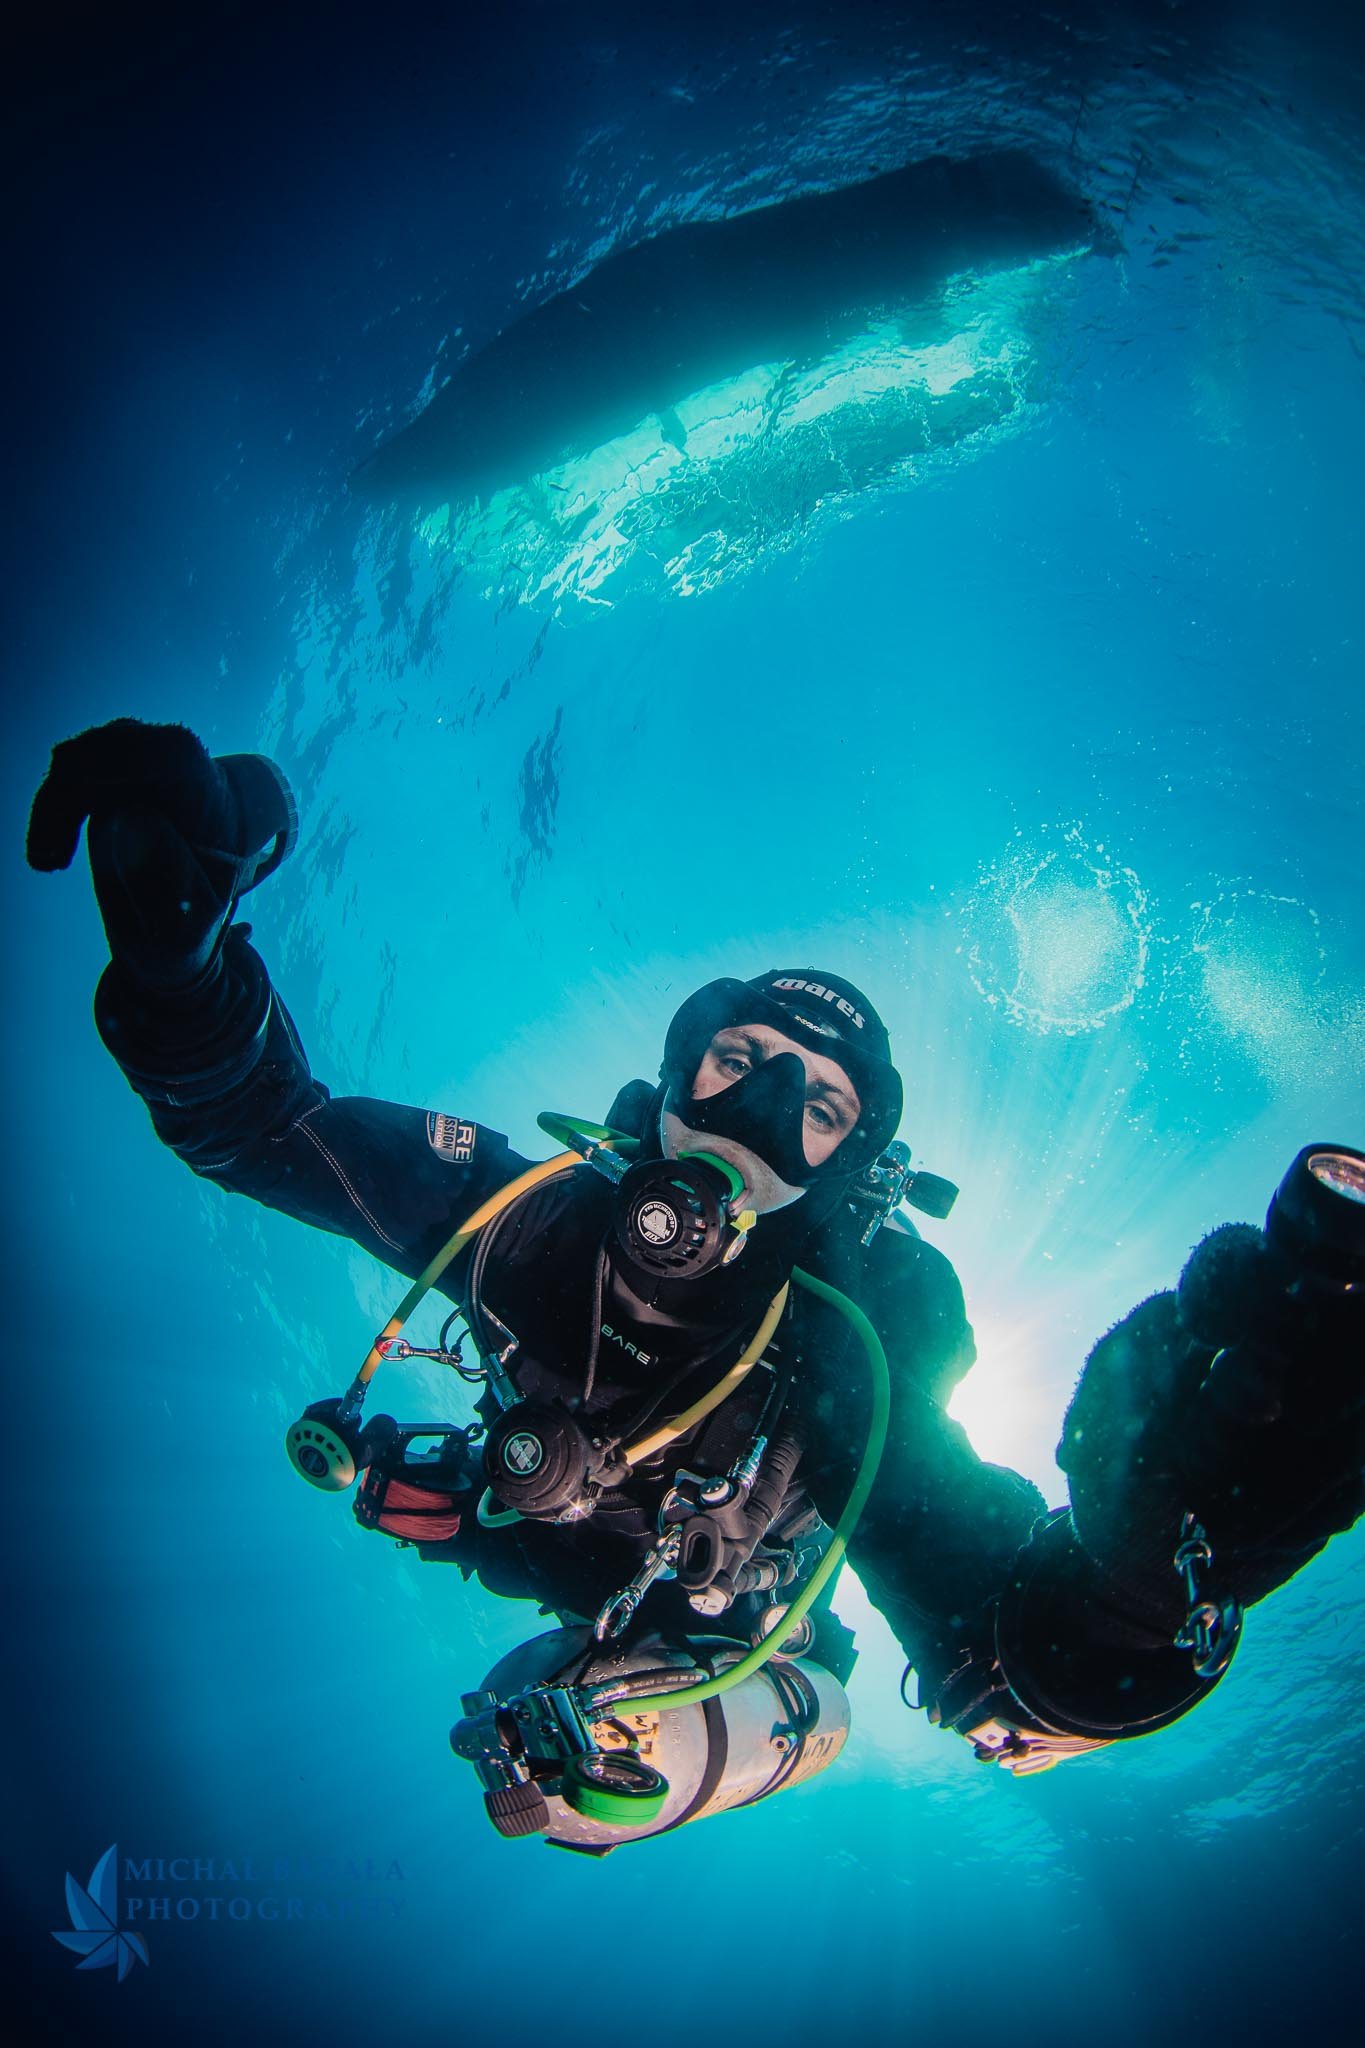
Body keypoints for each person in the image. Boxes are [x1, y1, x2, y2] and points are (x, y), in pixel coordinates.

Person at [27, 720, 1365, 1791]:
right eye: (740, 1061)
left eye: (819, 1106)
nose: (761, 1111)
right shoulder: (522, 1217)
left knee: (539, 1744)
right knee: (488, 1622)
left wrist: (1151, 1574)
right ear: (672, 1082)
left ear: (840, 1172)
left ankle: (686, 1715)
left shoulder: (838, 1356)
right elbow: (263, 1126)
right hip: (538, 1533)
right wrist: (179, 967)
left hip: (726, 1633)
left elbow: (1010, 1636)